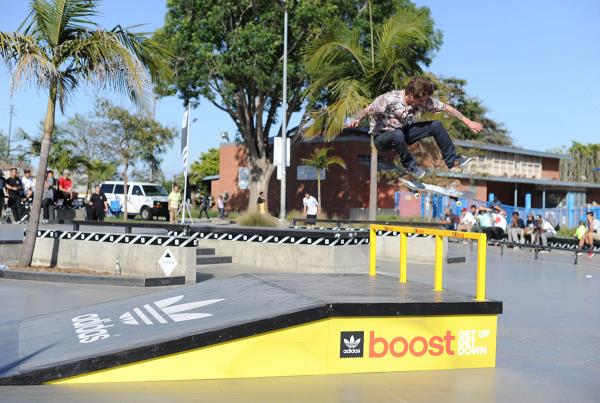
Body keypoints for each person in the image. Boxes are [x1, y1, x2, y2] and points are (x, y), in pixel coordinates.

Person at [348, 76, 484, 178]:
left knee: (436, 125)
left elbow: (447, 108)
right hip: (381, 138)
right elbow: (369, 108)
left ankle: (452, 160)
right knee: (397, 134)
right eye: (420, 101)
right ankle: (411, 167)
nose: (423, 103)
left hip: (402, 133)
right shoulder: (389, 99)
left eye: (425, 100)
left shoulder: (423, 100)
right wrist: (357, 119)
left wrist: (469, 122)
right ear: (411, 94)